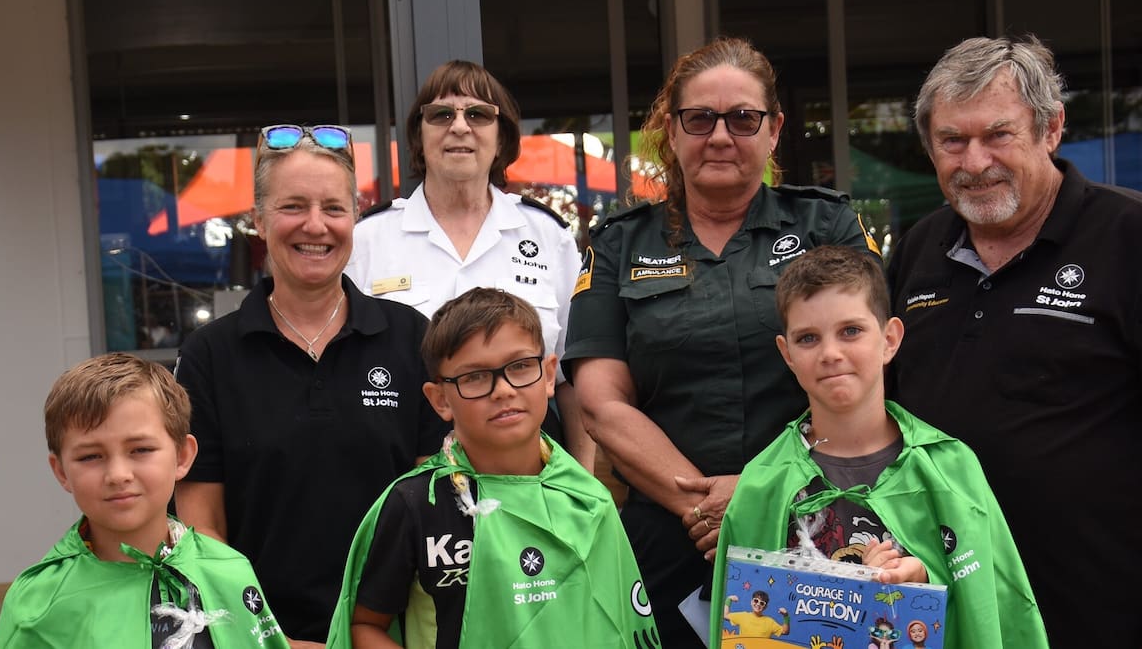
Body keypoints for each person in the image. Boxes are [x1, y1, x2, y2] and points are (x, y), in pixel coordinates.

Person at [562, 35, 881, 647]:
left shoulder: (828, 225)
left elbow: (862, 374)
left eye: (743, 118)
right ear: (672, 130)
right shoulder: (619, 243)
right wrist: (710, 510)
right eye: (699, 118)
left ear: (774, 129)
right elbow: (602, 401)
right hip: (668, 538)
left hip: (818, 520)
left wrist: (759, 494)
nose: (719, 136)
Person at [885, 34, 1142, 648]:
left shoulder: (1128, 236)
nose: (974, 163)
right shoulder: (922, 246)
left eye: (998, 135)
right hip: (945, 607)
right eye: (952, 141)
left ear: (1051, 130)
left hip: (1095, 609)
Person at [174, 124, 448, 646]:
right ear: (257, 220)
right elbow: (202, 529)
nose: (315, 226)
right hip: (262, 636)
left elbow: (432, 507)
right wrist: (264, 637)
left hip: (392, 634)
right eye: (293, 206)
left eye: (333, 208)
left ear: (355, 218)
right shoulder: (210, 355)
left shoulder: (410, 337)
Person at [709, 245, 1047, 648]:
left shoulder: (950, 468)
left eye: (851, 331)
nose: (831, 354)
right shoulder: (761, 483)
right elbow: (738, 625)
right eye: (808, 338)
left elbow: (996, 607)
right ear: (788, 355)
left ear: (890, 339)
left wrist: (922, 578)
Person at [326, 288, 660, 649]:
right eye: (474, 377)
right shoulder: (416, 505)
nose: (502, 390)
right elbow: (365, 624)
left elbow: (621, 621)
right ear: (439, 399)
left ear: (548, 376)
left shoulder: (588, 500)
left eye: (519, 367)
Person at [344, 60, 592, 471]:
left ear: (502, 137)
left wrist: (582, 483)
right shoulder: (369, 240)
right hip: (404, 475)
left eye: (477, 114)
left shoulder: (548, 237)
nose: (459, 127)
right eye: (441, 115)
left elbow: (572, 379)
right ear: (419, 138)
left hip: (529, 476)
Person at [0, 353, 290, 648]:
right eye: (90, 456)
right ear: (62, 472)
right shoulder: (38, 604)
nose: (118, 475)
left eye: (140, 450)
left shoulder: (229, 571)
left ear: (183, 456)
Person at [722, 591, 788, 639]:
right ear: (751, 602)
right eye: (756, 601)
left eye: (762, 603)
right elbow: (725, 615)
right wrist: (729, 600)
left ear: (765, 607)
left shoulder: (770, 622)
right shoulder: (743, 616)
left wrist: (786, 616)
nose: (758, 604)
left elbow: (785, 632)